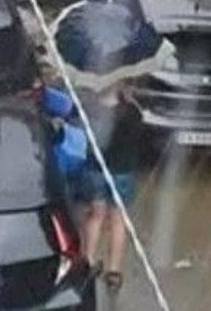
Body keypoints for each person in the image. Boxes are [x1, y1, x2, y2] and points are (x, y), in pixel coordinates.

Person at [76, 81, 144, 291]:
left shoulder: (91, 109)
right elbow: (138, 138)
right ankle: (114, 272)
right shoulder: (131, 111)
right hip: (122, 172)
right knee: (118, 220)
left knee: (95, 216)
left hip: (95, 171)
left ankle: (87, 262)